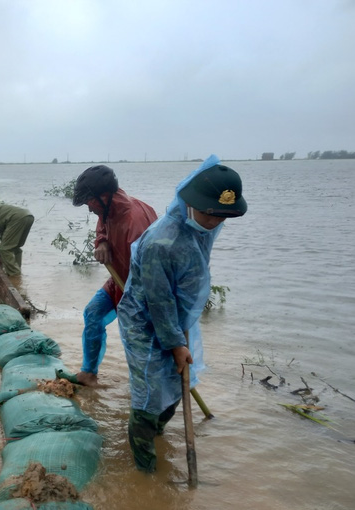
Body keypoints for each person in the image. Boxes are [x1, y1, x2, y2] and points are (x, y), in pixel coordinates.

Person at [117, 155, 247, 473]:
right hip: (144, 322)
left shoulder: (201, 228)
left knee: (176, 386)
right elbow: (158, 302)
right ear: (190, 204)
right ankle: (144, 465)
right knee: (150, 392)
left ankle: (157, 431)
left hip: (175, 319)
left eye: (222, 217)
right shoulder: (161, 244)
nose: (214, 222)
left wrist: (179, 338)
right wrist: (176, 344)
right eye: (209, 215)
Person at [71, 165, 158, 387]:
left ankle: (145, 391)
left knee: (139, 342)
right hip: (119, 278)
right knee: (93, 313)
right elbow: (103, 224)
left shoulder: (134, 222)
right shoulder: (108, 208)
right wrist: (102, 241)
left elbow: (146, 277)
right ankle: (88, 374)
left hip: (142, 290)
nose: (89, 209)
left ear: (104, 196)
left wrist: (130, 307)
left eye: (89, 202)